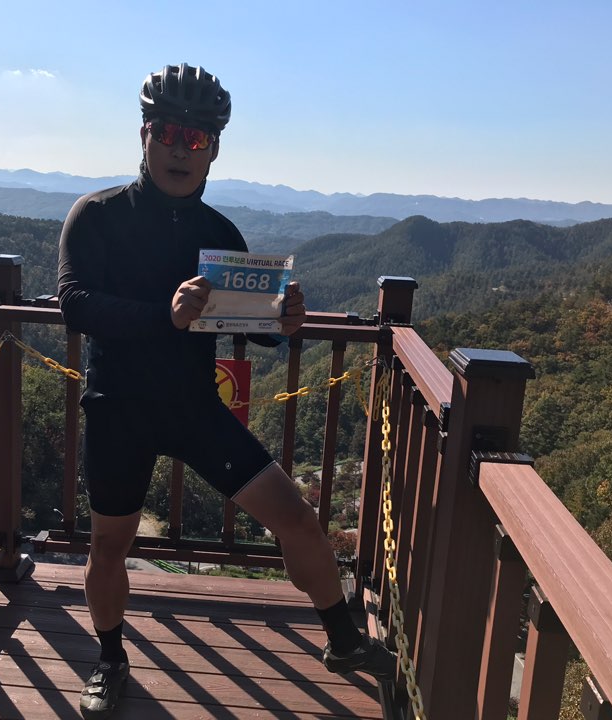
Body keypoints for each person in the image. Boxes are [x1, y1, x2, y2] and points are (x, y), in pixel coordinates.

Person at [57, 63, 395, 719]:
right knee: (109, 548)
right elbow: (75, 304)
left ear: (214, 149)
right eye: (169, 132)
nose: (181, 149)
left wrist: (284, 323)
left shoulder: (218, 234)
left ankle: (344, 641)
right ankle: (111, 659)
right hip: (119, 410)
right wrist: (166, 315)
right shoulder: (96, 215)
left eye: (197, 138)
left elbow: (254, 330)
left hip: (194, 409)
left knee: (298, 519)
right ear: (144, 134)